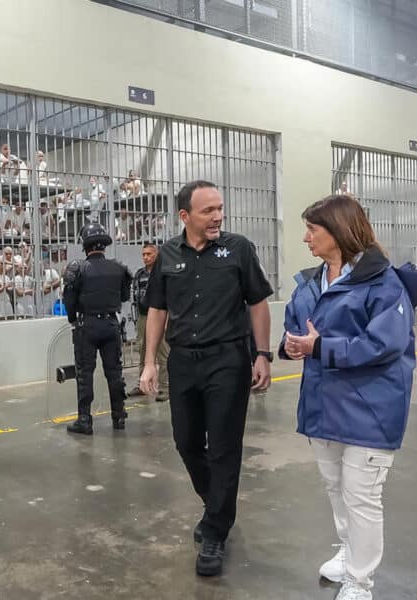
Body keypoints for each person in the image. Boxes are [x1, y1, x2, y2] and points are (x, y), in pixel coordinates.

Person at [281, 194, 416, 600]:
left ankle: (360, 581)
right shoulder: (310, 281)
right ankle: (348, 549)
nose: (305, 238)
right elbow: (295, 323)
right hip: (323, 405)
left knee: (362, 497)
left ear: (337, 233)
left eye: (312, 230)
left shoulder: (384, 282)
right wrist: (292, 345)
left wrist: (320, 348)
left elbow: (383, 344)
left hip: (369, 408)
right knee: (336, 487)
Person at [140, 180, 273, 578]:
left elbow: (258, 303)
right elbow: (157, 311)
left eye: (220, 209)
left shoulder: (239, 249)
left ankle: (215, 529)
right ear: (185, 216)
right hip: (182, 361)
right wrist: (149, 362)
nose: (218, 217)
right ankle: (215, 500)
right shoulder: (167, 255)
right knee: (185, 442)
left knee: (224, 447)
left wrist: (262, 354)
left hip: (228, 359)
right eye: (208, 211)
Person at [62, 223, 132, 435]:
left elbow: (69, 300)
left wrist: (74, 318)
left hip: (87, 325)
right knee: (115, 372)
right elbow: (124, 297)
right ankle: (119, 417)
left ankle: (85, 420)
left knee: (85, 374)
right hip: (111, 325)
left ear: (85, 246)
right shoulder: (119, 268)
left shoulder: (78, 268)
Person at [129, 242, 169, 401]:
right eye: (143, 254)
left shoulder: (163, 273)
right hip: (143, 316)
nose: (146, 257)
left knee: (163, 353)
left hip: (160, 315)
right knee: (143, 351)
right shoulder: (139, 274)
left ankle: (165, 387)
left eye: (149, 254)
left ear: (156, 255)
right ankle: (142, 385)